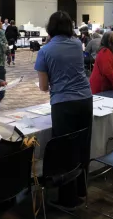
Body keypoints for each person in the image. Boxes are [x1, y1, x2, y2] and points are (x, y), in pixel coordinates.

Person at [34, 11, 92, 210]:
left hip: (63, 103)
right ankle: (81, 189)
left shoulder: (45, 51)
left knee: (65, 149)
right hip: (85, 98)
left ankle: (67, 198)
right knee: (82, 145)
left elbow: (43, 86)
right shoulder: (77, 44)